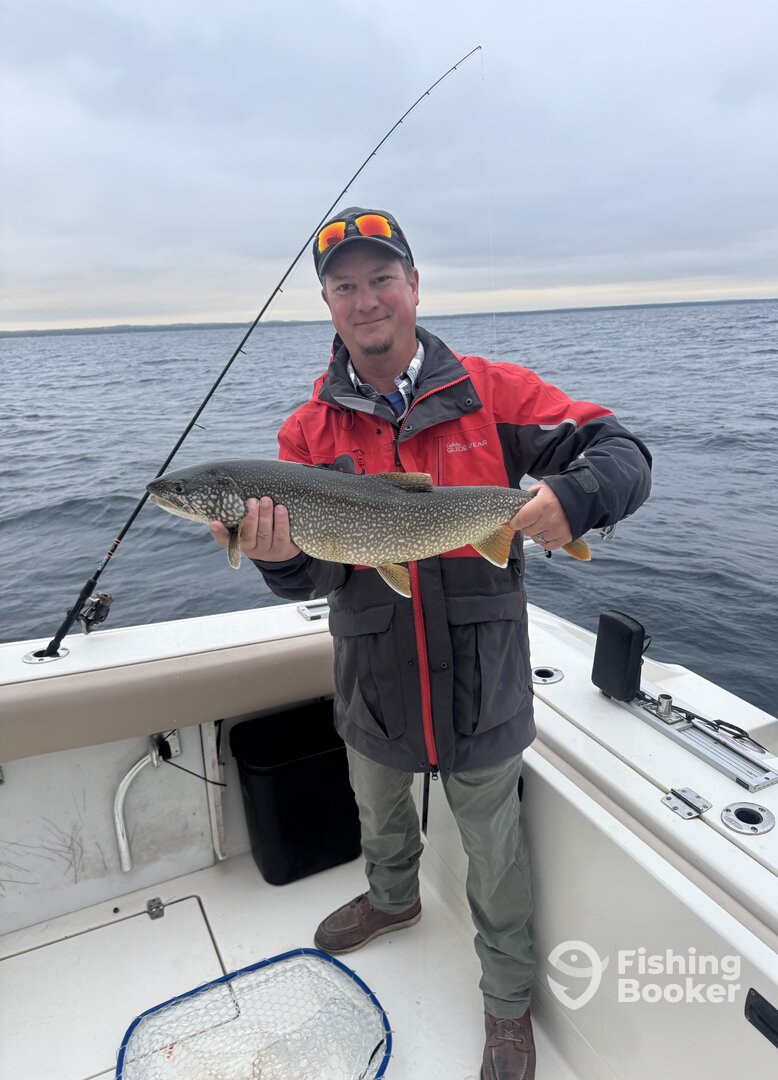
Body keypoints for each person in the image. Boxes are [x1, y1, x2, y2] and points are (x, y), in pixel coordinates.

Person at [210, 206, 652, 1080]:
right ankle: (392, 901)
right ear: (328, 304)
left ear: (413, 285)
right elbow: (310, 579)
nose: (366, 299)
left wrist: (573, 499)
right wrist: (278, 557)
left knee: (496, 856)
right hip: (373, 682)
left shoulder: (494, 392)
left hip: (485, 683)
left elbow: (621, 450)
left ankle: (507, 1005)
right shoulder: (306, 434)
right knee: (377, 817)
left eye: (382, 278)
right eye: (345, 286)